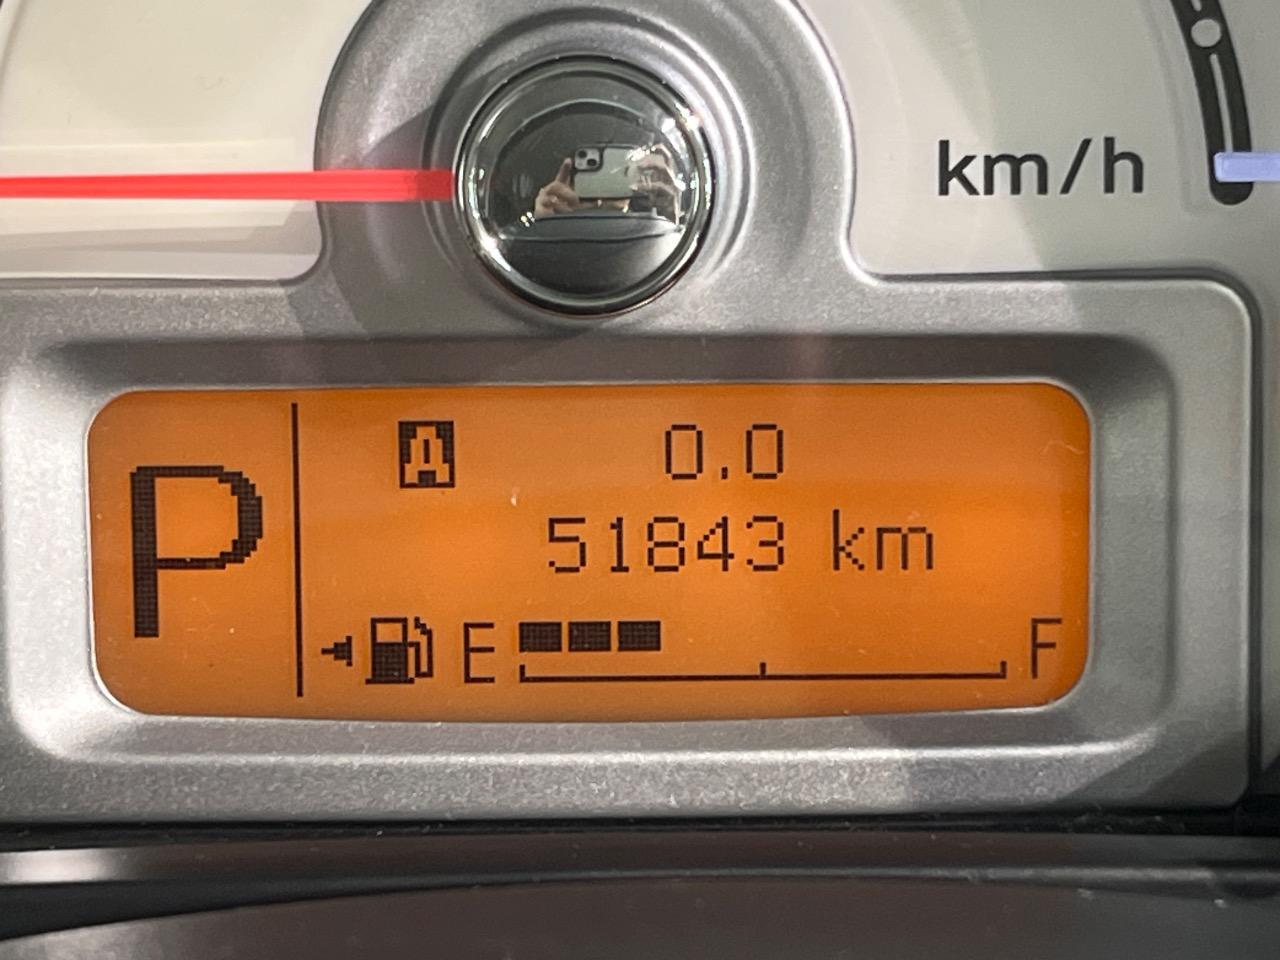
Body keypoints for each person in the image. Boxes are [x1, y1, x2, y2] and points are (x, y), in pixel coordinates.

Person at [533, 145, 681, 222]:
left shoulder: (649, 225)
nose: (610, 173)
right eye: (593, 173)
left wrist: (668, 217)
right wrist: (547, 225)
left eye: (617, 165)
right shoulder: (557, 215)